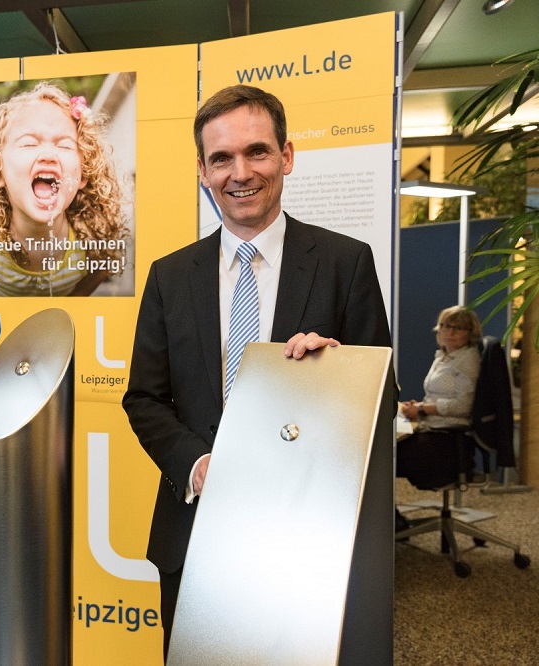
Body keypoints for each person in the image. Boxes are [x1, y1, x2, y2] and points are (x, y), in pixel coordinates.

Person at [122, 84, 393, 660]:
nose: (239, 172)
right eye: (220, 158)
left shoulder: (346, 263)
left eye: (257, 152)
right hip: (195, 532)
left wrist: (339, 371)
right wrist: (197, 468)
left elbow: (384, 401)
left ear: (287, 156)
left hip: (307, 531)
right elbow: (144, 398)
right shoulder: (170, 277)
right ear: (202, 169)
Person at [0, 81, 129, 297]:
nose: (49, 155)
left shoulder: (89, 241)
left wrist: (72, 303)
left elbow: (105, 263)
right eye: (29, 144)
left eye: (64, 145)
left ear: (83, 174)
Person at [396, 306, 482, 489]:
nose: (449, 332)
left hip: (447, 440)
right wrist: (419, 406)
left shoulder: (467, 361)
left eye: (458, 328)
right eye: (445, 325)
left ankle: (392, 517)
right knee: (382, 451)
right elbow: (440, 395)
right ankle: (390, 516)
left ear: (470, 333)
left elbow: (464, 406)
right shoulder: (444, 355)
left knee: (385, 458)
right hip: (430, 428)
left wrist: (422, 409)